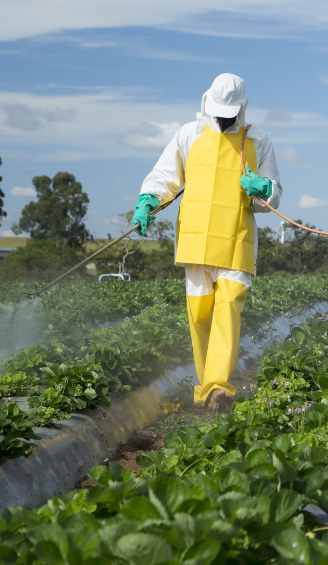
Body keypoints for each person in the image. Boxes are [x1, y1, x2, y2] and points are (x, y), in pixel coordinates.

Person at [132, 73, 282, 411]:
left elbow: (272, 196)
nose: (224, 116)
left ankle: (218, 388)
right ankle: (205, 391)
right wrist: (148, 201)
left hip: (236, 238)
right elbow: (165, 176)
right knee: (200, 315)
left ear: (241, 108)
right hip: (195, 240)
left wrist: (264, 188)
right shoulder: (190, 134)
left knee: (228, 310)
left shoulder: (258, 141)